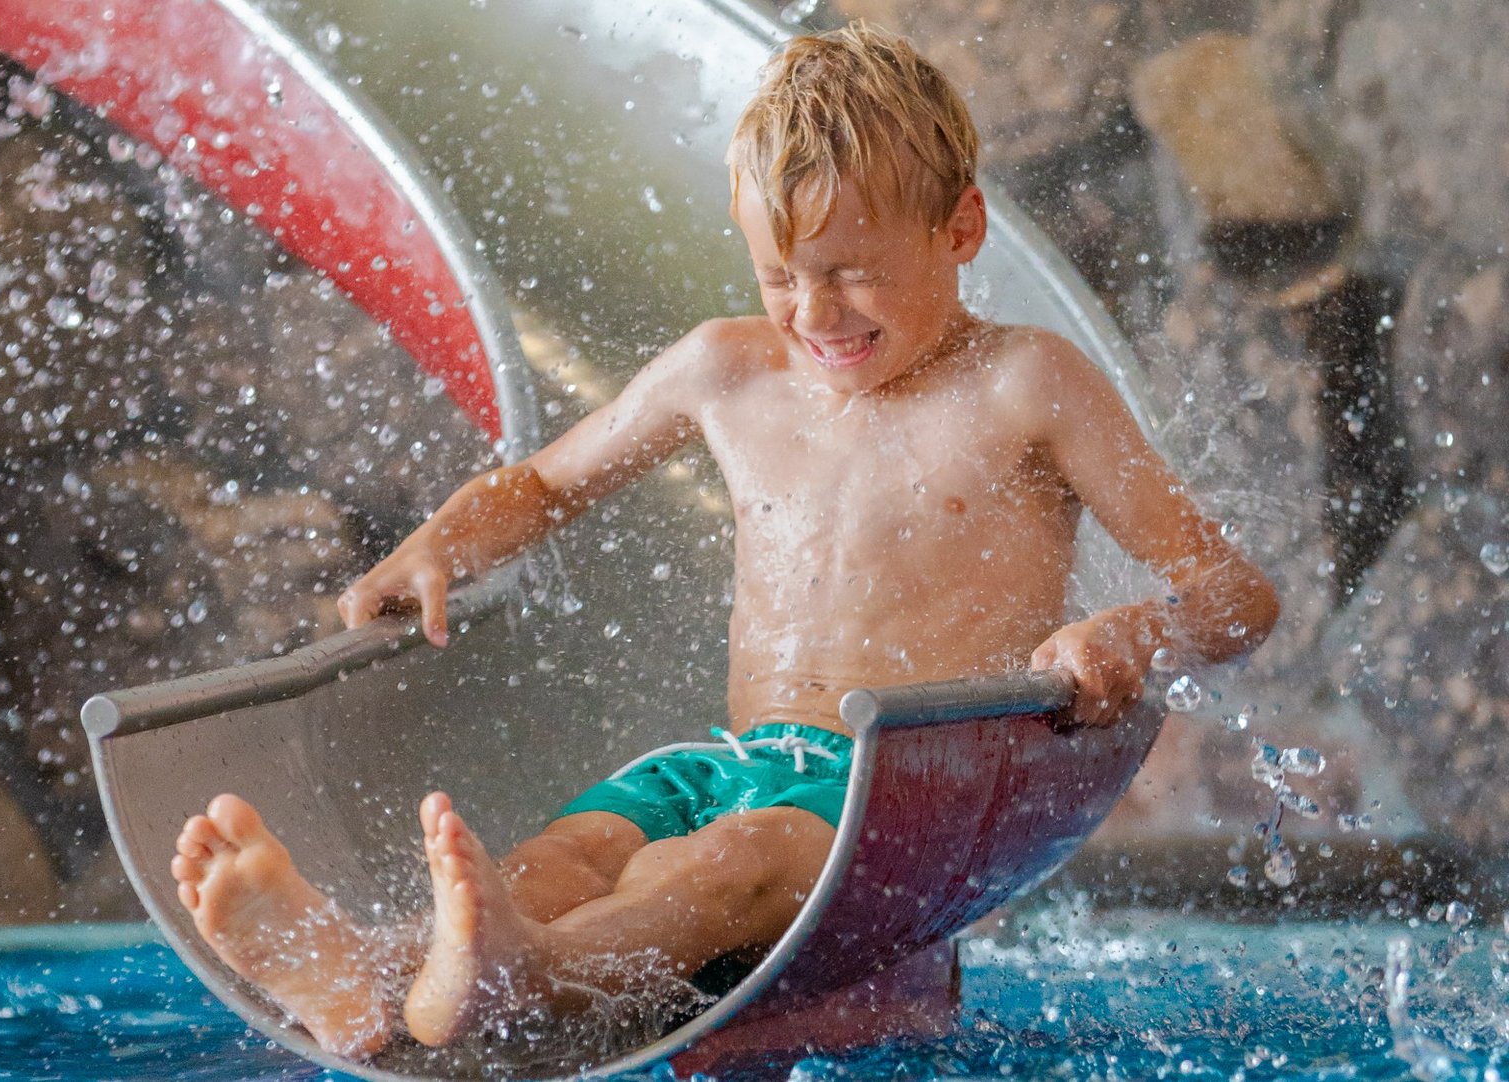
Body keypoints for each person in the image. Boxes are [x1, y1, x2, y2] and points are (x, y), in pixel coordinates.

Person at [169, 21, 1280, 1059]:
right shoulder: (727, 366)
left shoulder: (1028, 384)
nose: (816, 312)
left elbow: (1234, 591)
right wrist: (443, 542)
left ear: (961, 229)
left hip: (888, 807)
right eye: (781, 274)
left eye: (852, 271)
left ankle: (530, 975)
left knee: (724, 864)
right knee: (570, 854)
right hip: (734, 760)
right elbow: (547, 482)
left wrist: (1139, 625)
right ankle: (368, 971)